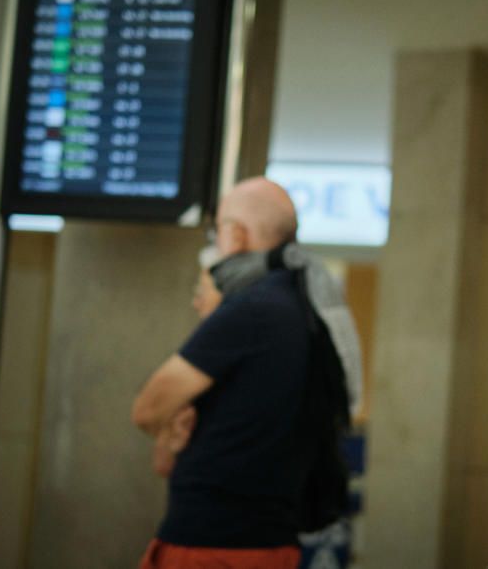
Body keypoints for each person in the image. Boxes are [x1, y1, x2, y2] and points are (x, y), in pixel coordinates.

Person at [132, 177, 360, 569]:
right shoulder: (301, 307)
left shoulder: (253, 308)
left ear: (235, 235)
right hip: (269, 539)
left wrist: (169, 429)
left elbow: (148, 408)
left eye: (217, 229)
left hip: (213, 546)